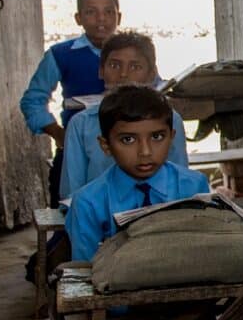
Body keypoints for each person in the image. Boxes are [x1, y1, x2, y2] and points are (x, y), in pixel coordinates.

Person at [65, 85, 209, 262]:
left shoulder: (194, 186)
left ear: (171, 138)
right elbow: (84, 270)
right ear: (106, 145)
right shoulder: (88, 203)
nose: (145, 152)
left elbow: (205, 253)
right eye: (128, 139)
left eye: (157, 137)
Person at [20, 0, 121, 207]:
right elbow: (33, 101)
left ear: (119, 17)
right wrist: (58, 133)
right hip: (76, 148)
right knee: (71, 208)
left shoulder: (133, 52)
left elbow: (153, 90)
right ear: (78, 18)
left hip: (126, 148)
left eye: (108, 12)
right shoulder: (61, 54)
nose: (101, 19)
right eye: (91, 12)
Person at [60, 31, 190, 199]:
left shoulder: (171, 120)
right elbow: (72, 193)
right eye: (114, 65)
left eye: (135, 67)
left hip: (160, 217)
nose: (123, 74)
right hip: (100, 218)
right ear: (101, 70)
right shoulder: (81, 124)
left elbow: (180, 183)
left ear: (152, 74)